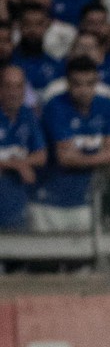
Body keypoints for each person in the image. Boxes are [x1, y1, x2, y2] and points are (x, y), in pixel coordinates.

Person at [34, 55, 110, 233]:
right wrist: (101, 157)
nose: (84, 90)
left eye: (89, 84)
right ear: (68, 83)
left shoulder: (105, 105)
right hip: (50, 200)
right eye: (78, 84)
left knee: (83, 259)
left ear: (97, 82)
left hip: (89, 200)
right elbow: (65, 158)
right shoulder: (56, 106)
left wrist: (80, 156)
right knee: (48, 258)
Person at [0, 64, 46, 231]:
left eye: (19, 86)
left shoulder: (28, 115)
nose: (14, 92)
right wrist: (18, 165)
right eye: (8, 86)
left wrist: (18, 163)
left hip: (17, 205)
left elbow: (41, 155)